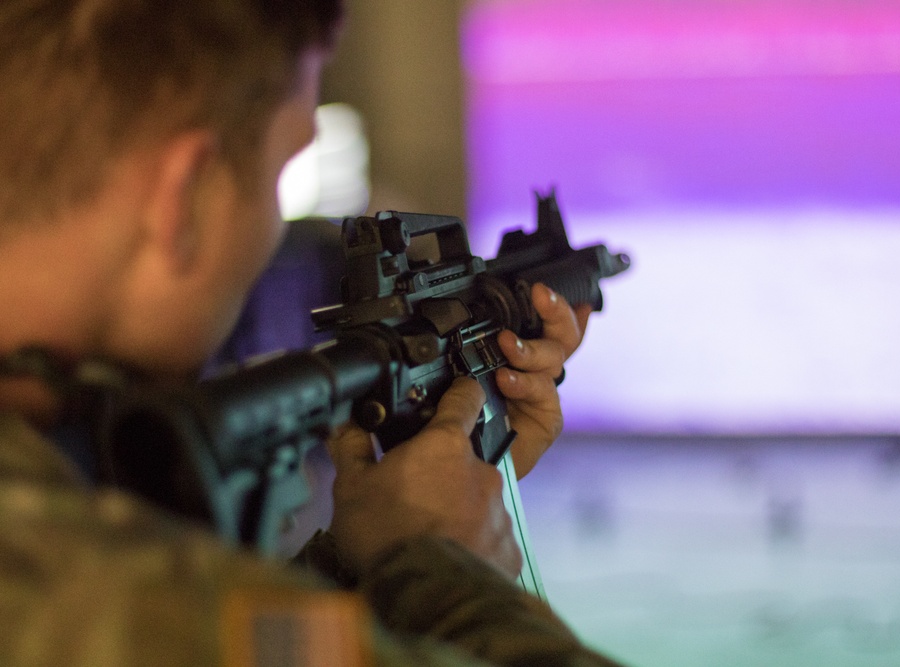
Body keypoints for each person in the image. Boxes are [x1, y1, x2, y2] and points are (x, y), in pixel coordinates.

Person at [0, 1, 621, 665]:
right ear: (180, 197)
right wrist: (442, 566)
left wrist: (373, 547)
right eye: (279, 173)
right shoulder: (90, 587)